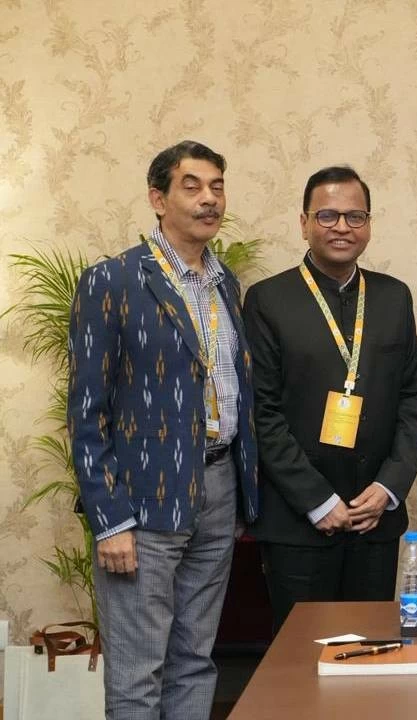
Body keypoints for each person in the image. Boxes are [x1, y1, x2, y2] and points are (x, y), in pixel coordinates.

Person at [67, 141, 260, 719]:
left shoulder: (225, 284)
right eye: (192, 186)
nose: (209, 199)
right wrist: (109, 520)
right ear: (158, 198)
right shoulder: (113, 280)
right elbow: (86, 411)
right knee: (137, 674)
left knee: (195, 662)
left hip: (218, 490)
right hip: (141, 501)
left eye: (217, 186)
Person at [243, 166, 417, 633]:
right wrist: (318, 500)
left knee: (369, 649)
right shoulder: (268, 300)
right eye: (327, 215)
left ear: (368, 224)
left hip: (374, 519)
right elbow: (261, 412)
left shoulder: (393, 297)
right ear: (304, 223)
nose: (342, 227)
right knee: (302, 656)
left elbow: (413, 396)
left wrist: (389, 487)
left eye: (355, 216)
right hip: (298, 523)